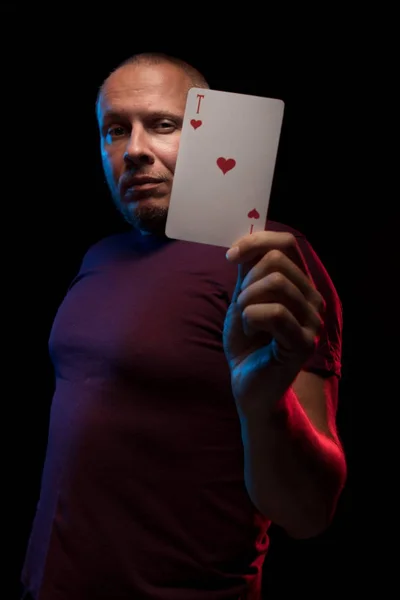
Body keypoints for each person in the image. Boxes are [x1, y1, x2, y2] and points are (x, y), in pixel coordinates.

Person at [21, 52, 347, 600]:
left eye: (164, 124)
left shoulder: (267, 261)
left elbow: (308, 513)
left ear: (213, 131)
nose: (135, 150)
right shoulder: (99, 256)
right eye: (115, 130)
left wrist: (264, 402)